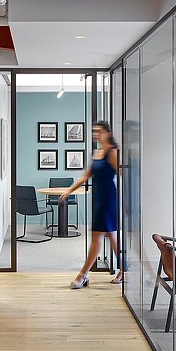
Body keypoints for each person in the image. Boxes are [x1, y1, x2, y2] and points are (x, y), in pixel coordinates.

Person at [60, 121, 123, 288]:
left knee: (97, 237)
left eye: (100, 131)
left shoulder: (112, 152)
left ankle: (82, 275)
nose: (96, 134)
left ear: (108, 133)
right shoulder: (97, 153)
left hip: (108, 198)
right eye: (95, 132)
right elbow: (85, 176)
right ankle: (123, 269)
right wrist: (69, 190)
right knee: (110, 235)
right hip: (98, 197)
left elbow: (123, 173)